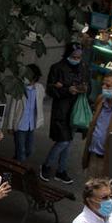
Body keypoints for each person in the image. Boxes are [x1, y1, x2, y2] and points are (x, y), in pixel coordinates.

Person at [40, 41, 90, 183]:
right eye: (74, 56)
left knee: (68, 142)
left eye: (79, 56)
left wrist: (84, 89)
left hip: (75, 110)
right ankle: (47, 166)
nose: (77, 59)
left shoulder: (84, 68)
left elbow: (89, 87)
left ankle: (61, 170)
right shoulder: (57, 68)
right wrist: (66, 90)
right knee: (64, 141)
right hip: (62, 110)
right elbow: (50, 90)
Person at [4, 63, 48, 162]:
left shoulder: (39, 88)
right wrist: (10, 126)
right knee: (21, 151)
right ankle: (19, 169)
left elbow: (44, 97)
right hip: (19, 125)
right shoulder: (19, 89)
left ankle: (16, 160)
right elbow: (12, 109)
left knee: (30, 150)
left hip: (31, 125)